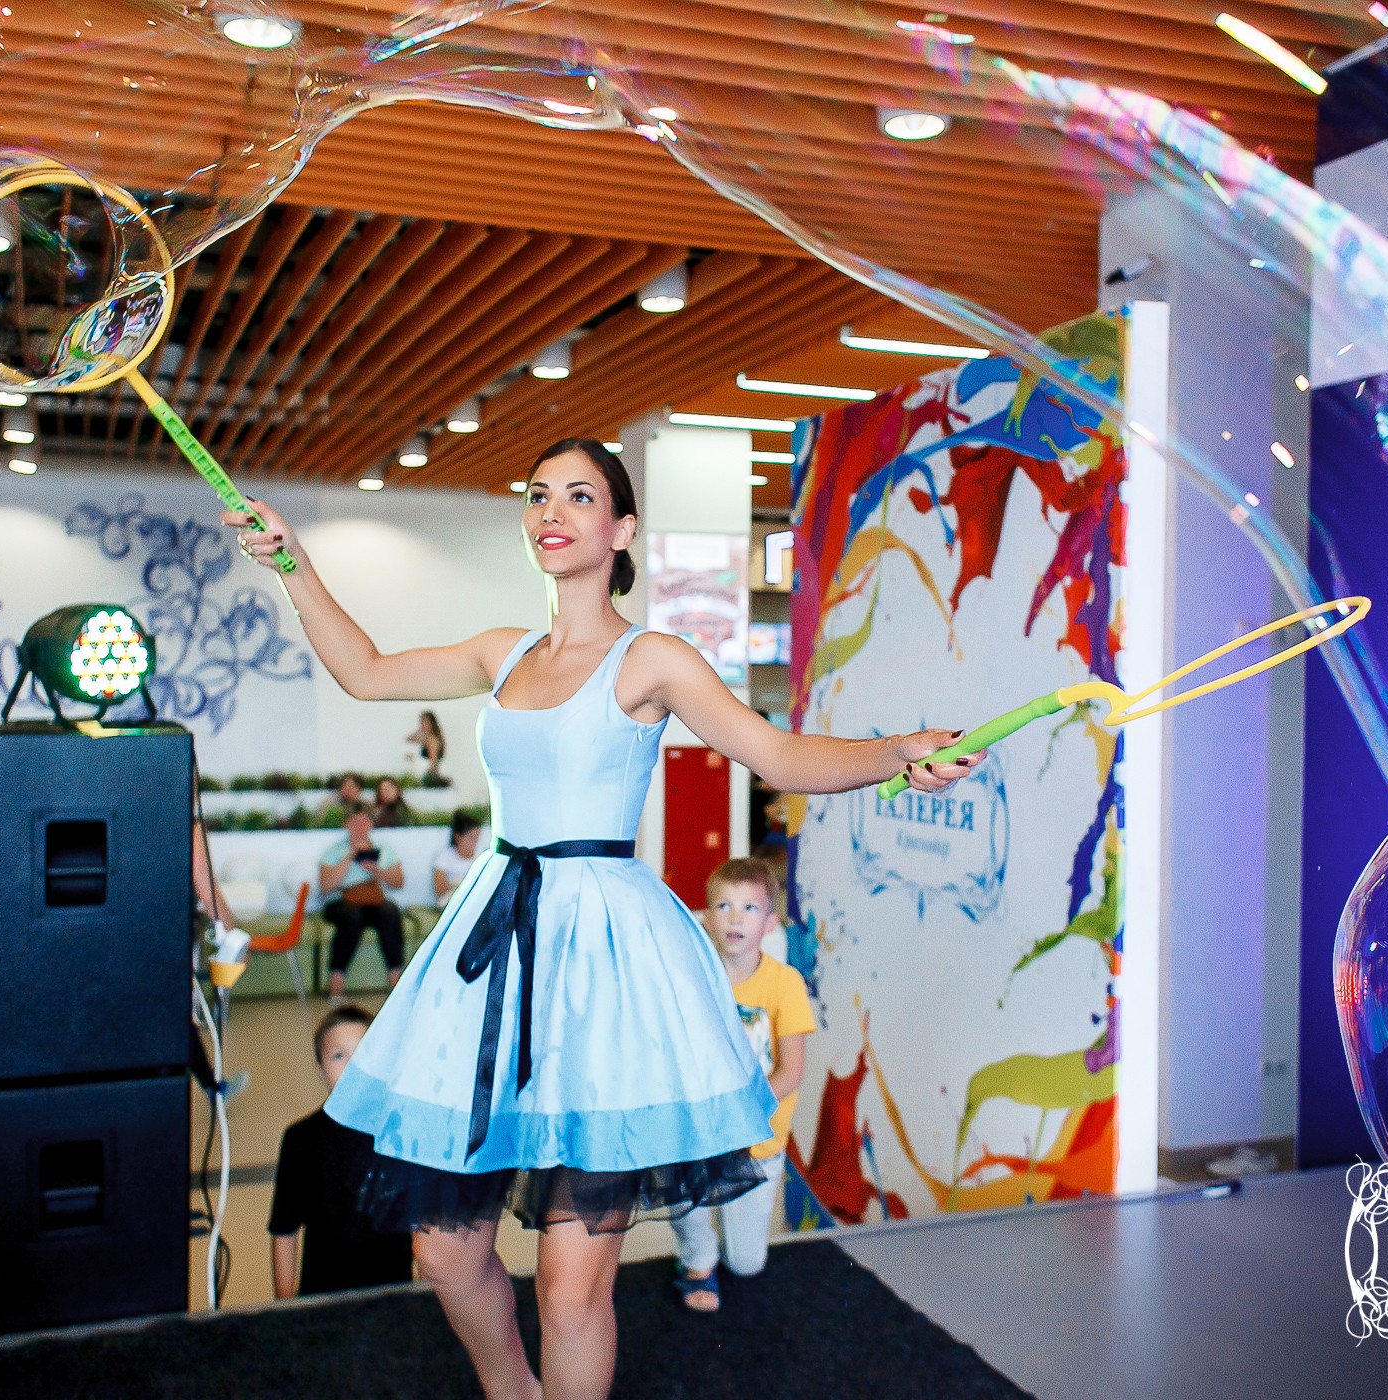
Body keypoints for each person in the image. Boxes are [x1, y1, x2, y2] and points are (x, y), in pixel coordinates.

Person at [225, 436, 980, 1399]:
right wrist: (292, 562)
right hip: (494, 940)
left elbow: (777, 754)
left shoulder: (650, 657)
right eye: (539, 494)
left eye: (579, 497)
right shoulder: (503, 651)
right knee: (446, 1255)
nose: (552, 510)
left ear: (622, 530)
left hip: (605, 963)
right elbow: (365, 671)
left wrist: (898, 751)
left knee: (571, 1288)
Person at [670, 859, 816, 1313]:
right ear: (706, 918)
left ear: (769, 923)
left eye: (750, 908)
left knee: (747, 1263)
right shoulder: (691, 980)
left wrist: (737, 1113)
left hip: (758, 1139)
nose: (735, 918)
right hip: (698, 1132)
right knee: (687, 1205)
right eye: (724, 906)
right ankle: (697, 1261)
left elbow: (790, 1072)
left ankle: (725, 1249)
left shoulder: (785, 984)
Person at [269, 1005, 413, 1300]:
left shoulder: (402, 1134)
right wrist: (285, 1308)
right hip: (322, 1299)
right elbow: (284, 1231)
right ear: (320, 1070)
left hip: (394, 1297)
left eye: (365, 1053)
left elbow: (422, 1225)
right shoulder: (301, 1139)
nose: (353, 1066)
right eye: (338, 1056)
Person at [318, 809, 406, 1001]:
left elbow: (399, 882)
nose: (360, 827)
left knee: (390, 912)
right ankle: (336, 981)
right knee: (351, 915)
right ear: (347, 824)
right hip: (341, 901)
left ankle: (396, 979)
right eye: (355, 822)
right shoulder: (335, 851)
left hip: (373, 900)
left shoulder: (384, 849)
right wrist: (350, 857)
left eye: (365, 822)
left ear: (371, 825)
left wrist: (376, 870)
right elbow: (325, 886)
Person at [431, 812, 483, 904]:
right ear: (457, 836)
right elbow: (439, 888)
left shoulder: (481, 857)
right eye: (471, 837)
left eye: (477, 838)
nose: (474, 842)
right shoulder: (444, 856)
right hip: (452, 901)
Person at [407, 712, 449, 787]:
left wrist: (427, 778)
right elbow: (408, 739)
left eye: (426, 721)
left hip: (427, 774)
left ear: (432, 723)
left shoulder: (431, 739)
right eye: (422, 721)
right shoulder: (425, 737)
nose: (423, 724)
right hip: (421, 772)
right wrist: (419, 732)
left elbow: (433, 761)